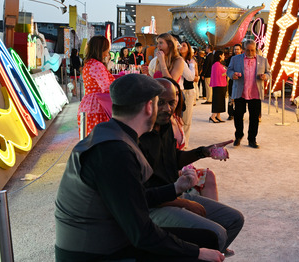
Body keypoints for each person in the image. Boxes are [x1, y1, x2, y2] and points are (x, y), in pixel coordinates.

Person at [55, 74, 224, 262]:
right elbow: (142, 234)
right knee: (203, 246)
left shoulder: (112, 134)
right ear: (148, 107)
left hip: (105, 239)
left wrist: (175, 188)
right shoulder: (115, 151)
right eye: (159, 102)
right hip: (96, 252)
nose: (167, 109)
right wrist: (197, 252)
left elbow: (133, 197)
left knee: (207, 238)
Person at [140, 78, 244, 257]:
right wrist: (184, 202)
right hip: (154, 206)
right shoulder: (139, 136)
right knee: (217, 233)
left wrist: (204, 151)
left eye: (172, 102)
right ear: (149, 103)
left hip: (175, 194)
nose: (168, 108)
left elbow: (173, 157)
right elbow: (142, 196)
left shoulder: (165, 125)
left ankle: (208, 253)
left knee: (234, 219)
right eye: (161, 102)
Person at [227, 40, 271, 148]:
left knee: (254, 118)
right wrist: (233, 75)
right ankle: (238, 136)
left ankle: (252, 139)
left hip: (255, 93)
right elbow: (229, 71)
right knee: (238, 116)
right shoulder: (235, 59)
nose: (250, 52)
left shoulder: (263, 60)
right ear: (243, 49)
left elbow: (269, 73)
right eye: (248, 50)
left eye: (252, 50)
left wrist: (265, 77)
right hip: (240, 92)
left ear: (255, 49)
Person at [78, 36, 115, 137]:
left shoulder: (89, 63)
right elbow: (106, 87)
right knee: (98, 140)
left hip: (88, 105)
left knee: (88, 141)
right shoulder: (97, 65)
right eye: (107, 47)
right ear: (102, 49)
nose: (108, 50)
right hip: (98, 106)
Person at [180, 42, 198, 145]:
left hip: (189, 91)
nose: (181, 47)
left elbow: (195, 77)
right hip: (180, 90)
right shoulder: (177, 59)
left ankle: (185, 142)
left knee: (187, 118)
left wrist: (190, 69)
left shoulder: (192, 61)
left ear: (188, 49)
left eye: (184, 46)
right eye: (181, 45)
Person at [210, 51, 227, 123]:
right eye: (223, 55)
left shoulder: (218, 64)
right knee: (218, 101)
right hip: (218, 85)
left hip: (220, 85)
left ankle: (218, 116)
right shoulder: (217, 65)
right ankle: (213, 116)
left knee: (221, 101)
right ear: (220, 56)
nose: (224, 56)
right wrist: (227, 71)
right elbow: (221, 74)